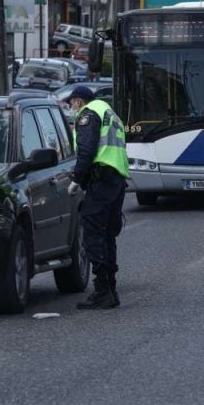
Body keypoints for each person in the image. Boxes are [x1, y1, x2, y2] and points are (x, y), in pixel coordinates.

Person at [67, 85, 129, 309]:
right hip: (117, 179)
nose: (71, 108)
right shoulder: (110, 113)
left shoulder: (88, 114)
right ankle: (109, 289)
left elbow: (87, 148)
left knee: (92, 230)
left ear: (79, 101)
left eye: (72, 103)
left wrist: (76, 178)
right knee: (107, 234)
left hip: (100, 178)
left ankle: (103, 289)